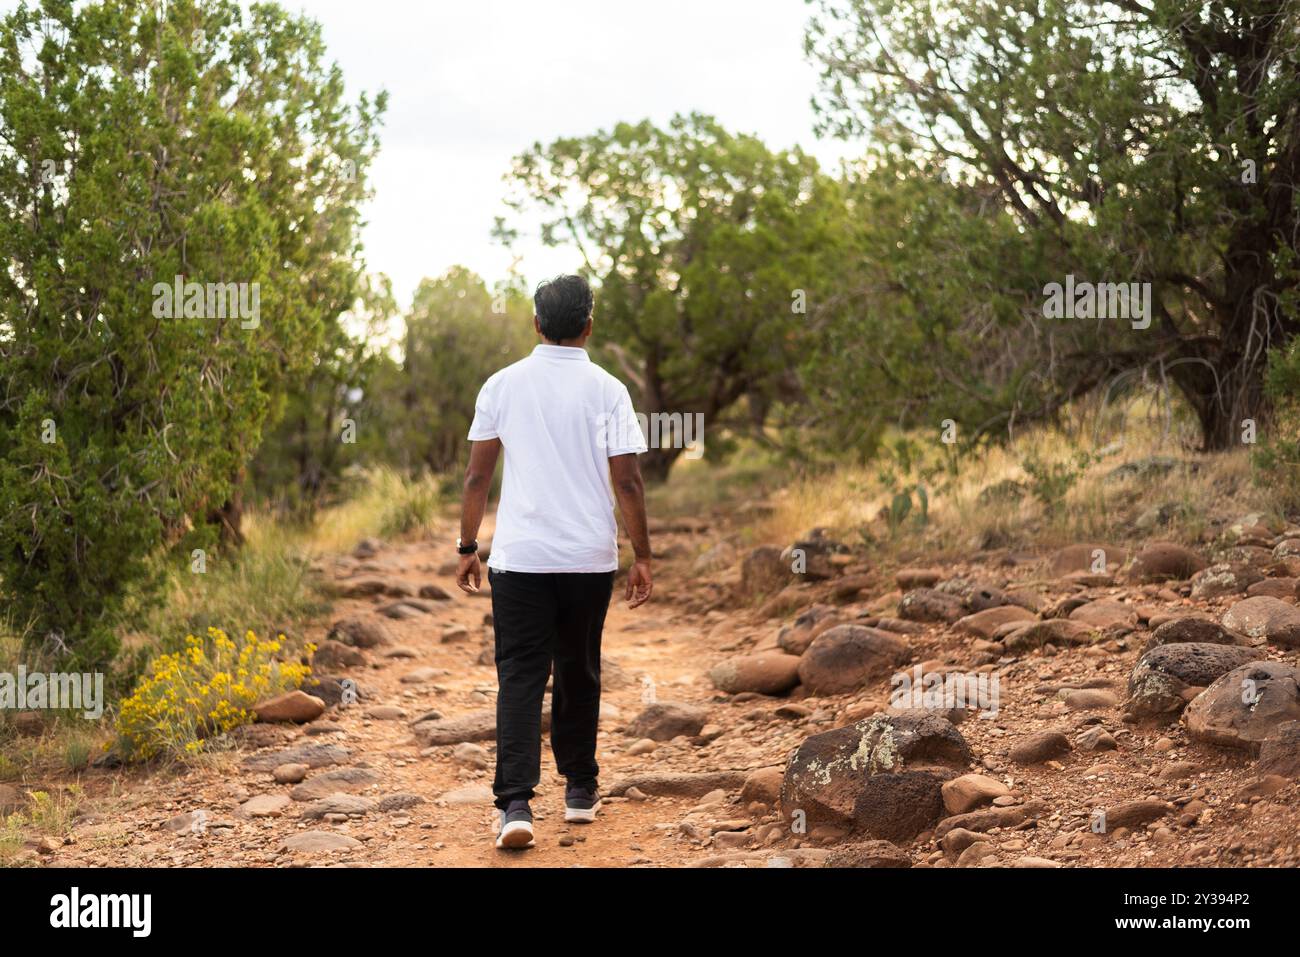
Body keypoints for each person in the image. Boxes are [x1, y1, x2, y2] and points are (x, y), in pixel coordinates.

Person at [456, 274, 653, 850]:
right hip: (589, 560)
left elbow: (476, 475)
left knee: (520, 675)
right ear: (589, 325)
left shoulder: (501, 385)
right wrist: (642, 556)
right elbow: (629, 481)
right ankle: (580, 789)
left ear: (537, 324)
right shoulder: (609, 390)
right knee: (579, 667)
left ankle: (515, 804)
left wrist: (468, 547)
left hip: (520, 561)